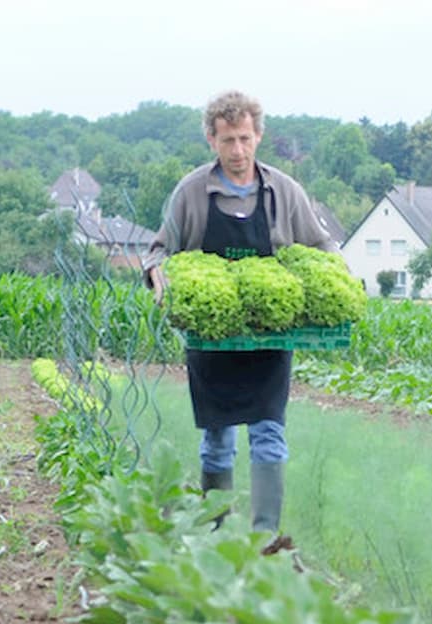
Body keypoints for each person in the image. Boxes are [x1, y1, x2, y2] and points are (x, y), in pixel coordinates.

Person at [144, 90, 337, 540]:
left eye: (245, 139)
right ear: (212, 139)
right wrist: (157, 276)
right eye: (228, 140)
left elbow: (322, 245)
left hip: (269, 341)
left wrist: (337, 273)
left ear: (259, 137)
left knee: (269, 431)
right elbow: (157, 251)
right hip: (212, 342)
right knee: (217, 440)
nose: (238, 151)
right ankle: (218, 535)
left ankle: (266, 538)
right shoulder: (192, 192)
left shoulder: (284, 192)